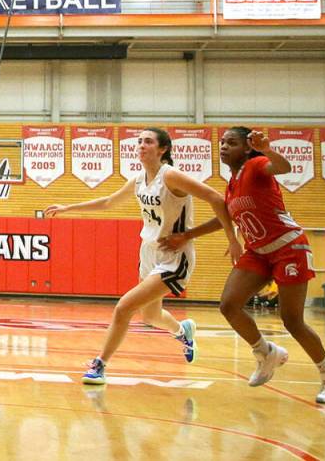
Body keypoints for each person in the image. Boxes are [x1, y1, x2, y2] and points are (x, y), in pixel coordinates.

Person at [161, 127, 325, 404]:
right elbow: (224, 217)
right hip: (258, 251)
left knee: (292, 320)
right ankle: (265, 353)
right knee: (229, 305)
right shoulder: (233, 182)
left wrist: (268, 148)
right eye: (222, 142)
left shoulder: (257, 165)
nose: (223, 147)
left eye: (231, 143)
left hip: (288, 247)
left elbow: (284, 166)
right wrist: (186, 236)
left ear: (247, 148)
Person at [44, 127, 240, 386]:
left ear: (163, 149)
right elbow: (107, 202)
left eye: (147, 142)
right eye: (139, 141)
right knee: (149, 316)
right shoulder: (138, 179)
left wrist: (231, 237)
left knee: (124, 307)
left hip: (174, 255)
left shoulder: (171, 176)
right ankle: (184, 332)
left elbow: (216, 198)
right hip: (148, 252)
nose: (141, 145)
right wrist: (67, 207)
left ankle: (100, 364)